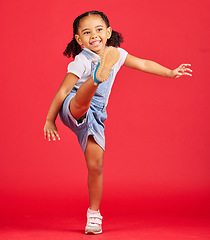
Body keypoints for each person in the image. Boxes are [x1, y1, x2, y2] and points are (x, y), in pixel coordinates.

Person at [43, 10, 192, 235]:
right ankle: (96, 78)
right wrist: (49, 119)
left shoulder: (118, 54)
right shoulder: (81, 60)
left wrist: (170, 72)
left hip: (96, 118)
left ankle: (94, 215)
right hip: (72, 106)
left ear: (109, 32)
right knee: (81, 104)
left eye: (99, 30)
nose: (94, 35)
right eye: (86, 32)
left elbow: (143, 63)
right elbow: (63, 90)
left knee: (96, 166)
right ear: (78, 39)